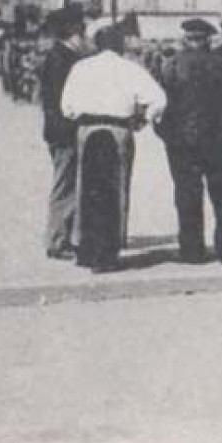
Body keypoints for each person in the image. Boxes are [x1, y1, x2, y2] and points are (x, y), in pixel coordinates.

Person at [59, 19, 167, 271]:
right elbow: (159, 99)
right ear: (120, 45)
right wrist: (144, 118)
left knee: (85, 189)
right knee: (116, 188)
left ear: (96, 44)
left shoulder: (81, 68)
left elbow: (67, 106)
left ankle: (85, 249)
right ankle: (110, 250)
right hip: (118, 129)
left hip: (87, 129)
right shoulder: (130, 69)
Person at [157, 18, 222, 264]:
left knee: (187, 196)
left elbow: (161, 106)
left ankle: (192, 250)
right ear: (208, 38)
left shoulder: (172, 65)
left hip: (183, 143)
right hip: (221, 142)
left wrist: (168, 136)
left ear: (186, 38)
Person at [36, 4, 88, 260]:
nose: (85, 38)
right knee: (64, 186)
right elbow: (61, 102)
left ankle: (64, 236)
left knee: (67, 184)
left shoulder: (57, 57)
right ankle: (57, 241)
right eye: (82, 32)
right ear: (74, 32)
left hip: (58, 131)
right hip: (65, 132)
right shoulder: (63, 60)